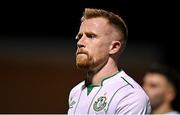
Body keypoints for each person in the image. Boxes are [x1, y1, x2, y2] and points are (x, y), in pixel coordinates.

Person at [68, 8, 151, 114]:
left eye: (91, 36)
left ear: (114, 47)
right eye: (79, 36)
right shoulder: (75, 92)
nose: (80, 42)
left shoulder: (131, 96)